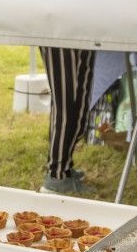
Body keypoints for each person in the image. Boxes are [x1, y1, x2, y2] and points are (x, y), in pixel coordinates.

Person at [40, 46, 96, 196]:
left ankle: (64, 166)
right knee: (65, 104)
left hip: (81, 31)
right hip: (60, 32)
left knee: (80, 99)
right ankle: (56, 176)